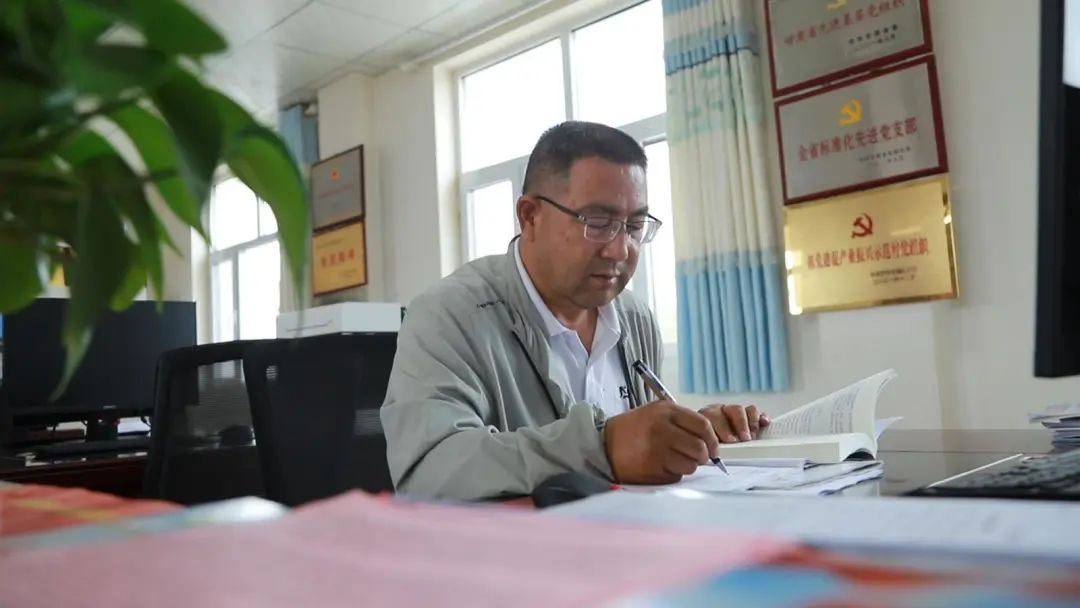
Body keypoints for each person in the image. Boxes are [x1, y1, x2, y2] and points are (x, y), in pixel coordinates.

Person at [381, 121, 768, 500]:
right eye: (597, 222)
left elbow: (638, 455)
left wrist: (690, 434)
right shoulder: (449, 316)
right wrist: (601, 448)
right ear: (530, 216)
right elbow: (428, 472)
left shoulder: (635, 318)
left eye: (634, 225)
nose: (620, 250)